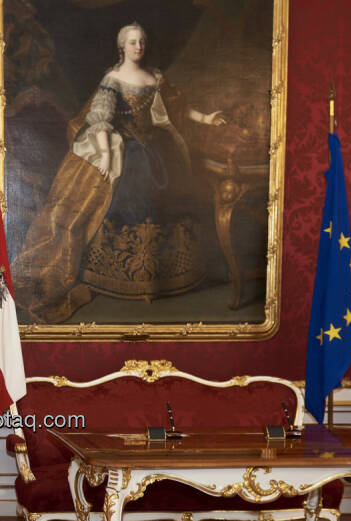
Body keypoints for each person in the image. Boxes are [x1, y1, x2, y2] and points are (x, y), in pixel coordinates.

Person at [13, 22, 226, 323]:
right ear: (122, 47)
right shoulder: (113, 79)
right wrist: (105, 155)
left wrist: (206, 117)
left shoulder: (154, 77)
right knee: (128, 199)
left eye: (141, 41)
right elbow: (100, 119)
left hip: (155, 150)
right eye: (132, 42)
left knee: (170, 198)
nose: (138, 46)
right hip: (123, 150)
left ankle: (162, 275)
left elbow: (177, 108)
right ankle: (117, 273)